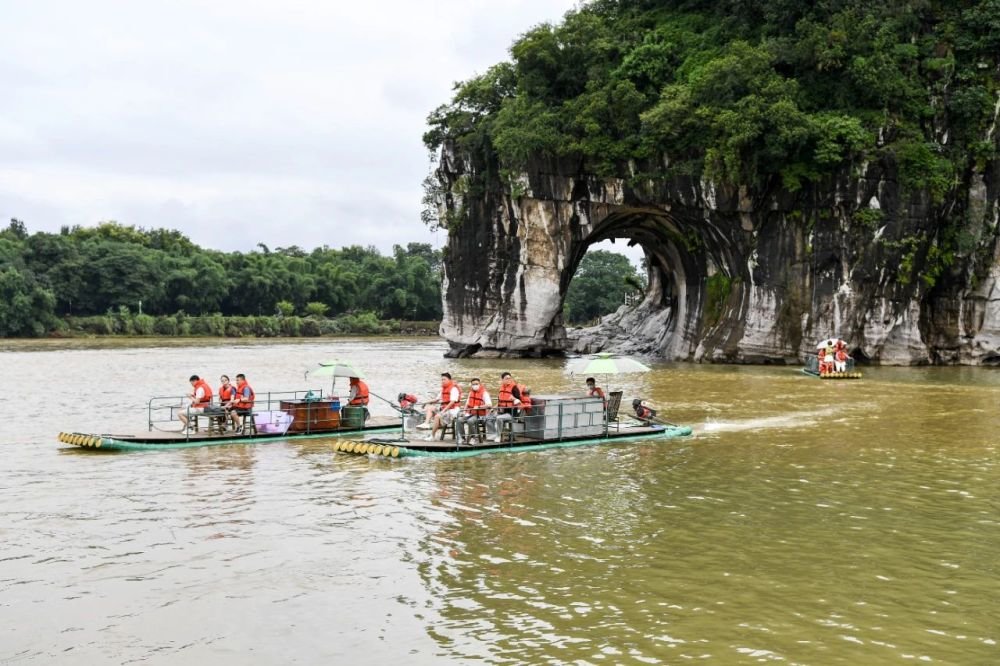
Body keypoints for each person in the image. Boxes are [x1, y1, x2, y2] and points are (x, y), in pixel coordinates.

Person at [455, 378, 492, 445]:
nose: (475, 385)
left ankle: (473, 438)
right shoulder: (470, 393)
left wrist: (479, 407)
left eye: (476, 384)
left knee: (470, 421)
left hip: (480, 415)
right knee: (459, 420)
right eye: (473, 384)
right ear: (471, 385)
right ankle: (462, 438)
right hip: (470, 413)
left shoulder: (484, 393)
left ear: (480, 384)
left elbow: (489, 405)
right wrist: (464, 412)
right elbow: (467, 404)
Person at [426, 372, 462, 441]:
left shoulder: (454, 389)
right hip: (444, 409)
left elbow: (452, 402)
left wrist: (443, 411)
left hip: (453, 410)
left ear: (449, 380)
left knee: (437, 416)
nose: (442, 381)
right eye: (442, 379)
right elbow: (437, 399)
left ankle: (432, 436)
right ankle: (426, 423)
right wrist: (426, 403)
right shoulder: (443, 389)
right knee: (430, 408)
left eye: (444, 379)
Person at [492, 372, 523, 443]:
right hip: (502, 412)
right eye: (506, 378)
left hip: (511, 413)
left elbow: (519, 401)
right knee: (489, 417)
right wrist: (494, 408)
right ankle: (491, 435)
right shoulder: (501, 388)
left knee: (499, 418)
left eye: (509, 378)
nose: (508, 380)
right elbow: (500, 401)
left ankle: (498, 436)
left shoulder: (514, 388)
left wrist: (514, 399)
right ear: (502, 379)